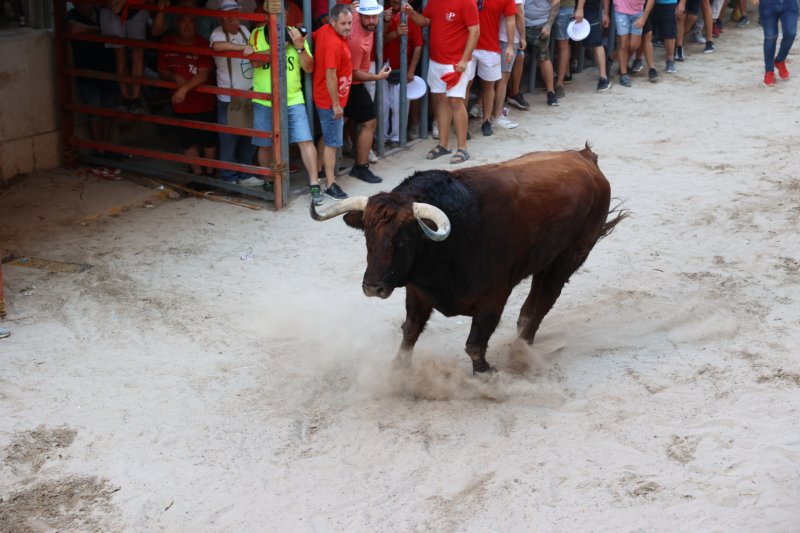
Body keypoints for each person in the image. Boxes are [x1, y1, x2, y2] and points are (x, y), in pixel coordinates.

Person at [248, 2, 324, 203]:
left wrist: (299, 47)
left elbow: (309, 68)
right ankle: (268, 181)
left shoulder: (296, 34)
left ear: (288, 14)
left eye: (283, 10)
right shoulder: (257, 34)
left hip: (293, 98)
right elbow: (255, 62)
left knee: (305, 141)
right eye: (275, 9)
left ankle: (314, 185)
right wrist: (279, 47)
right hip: (264, 99)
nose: (280, 13)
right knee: (265, 145)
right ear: (266, 11)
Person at [404, 0, 480, 164]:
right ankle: (444, 145)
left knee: (455, 101)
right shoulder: (434, 2)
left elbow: (475, 31)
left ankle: (463, 148)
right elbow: (426, 21)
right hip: (436, 61)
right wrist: (412, 14)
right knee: (440, 101)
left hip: (454, 63)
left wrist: (464, 59)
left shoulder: (467, 3)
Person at [157, 14, 218, 177]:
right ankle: (197, 176)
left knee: (209, 141)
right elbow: (162, 70)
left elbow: (203, 75)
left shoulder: (203, 44)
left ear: (196, 25)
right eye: (183, 21)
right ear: (177, 23)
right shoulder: (167, 43)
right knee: (187, 141)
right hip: (181, 105)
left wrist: (183, 89)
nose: (187, 25)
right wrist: (173, 76)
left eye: (190, 21)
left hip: (204, 103)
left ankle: (210, 174)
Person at [209, 0, 259, 185]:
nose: (234, 19)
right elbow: (217, 47)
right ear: (222, 18)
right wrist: (241, 49)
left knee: (249, 136)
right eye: (229, 16)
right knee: (229, 139)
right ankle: (229, 178)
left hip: (248, 94)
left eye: (236, 14)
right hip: (228, 97)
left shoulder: (245, 32)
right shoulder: (217, 34)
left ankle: (244, 173)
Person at [345, 0, 392, 183]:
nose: (372, 20)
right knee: (368, 121)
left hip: (348, 82)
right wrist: (377, 77)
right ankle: (359, 167)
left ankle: (326, 170)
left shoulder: (358, 18)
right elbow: (353, 74)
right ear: (361, 16)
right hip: (349, 83)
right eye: (368, 16)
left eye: (375, 16)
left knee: (337, 127)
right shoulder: (356, 39)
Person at [67, 3, 121, 155]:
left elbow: (115, 31)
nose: (82, 5)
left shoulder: (103, 12)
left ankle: (105, 147)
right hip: (88, 73)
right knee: (94, 112)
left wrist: (90, 32)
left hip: (109, 69)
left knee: (109, 111)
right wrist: (99, 29)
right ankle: (99, 149)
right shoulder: (71, 14)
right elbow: (71, 29)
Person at [312, 3, 354, 200]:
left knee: (328, 137)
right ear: (333, 22)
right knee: (332, 143)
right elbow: (330, 75)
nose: (348, 27)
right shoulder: (333, 43)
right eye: (344, 23)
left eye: (350, 23)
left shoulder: (324, 31)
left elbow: (310, 37)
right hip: (330, 100)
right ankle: (330, 184)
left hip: (331, 98)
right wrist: (336, 104)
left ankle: (322, 172)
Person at [382, 0, 424, 145]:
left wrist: (411, 70)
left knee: (400, 105)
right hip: (384, 67)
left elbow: (418, 46)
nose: (394, 5)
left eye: (397, 2)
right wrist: (394, 31)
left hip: (403, 67)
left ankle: (397, 137)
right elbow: (379, 41)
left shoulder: (409, 16)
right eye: (392, 2)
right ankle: (382, 137)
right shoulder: (384, 14)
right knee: (384, 104)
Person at [472, 0, 517, 136]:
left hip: (489, 46)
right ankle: (460, 123)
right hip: (467, 45)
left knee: (488, 85)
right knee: (465, 86)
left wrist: (510, 45)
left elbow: (510, 19)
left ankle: (487, 121)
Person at [100, 0, 150, 113]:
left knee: (137, 55)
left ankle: (135, 99)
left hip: (136, 8)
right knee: (121, 56)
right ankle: (126, 98)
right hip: (112, 9)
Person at [494, 0, 527, 126]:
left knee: (497, 78)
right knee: (503, 77)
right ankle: (498, 114)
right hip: (507, 37)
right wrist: (523, 36)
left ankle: (495, 111)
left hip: (500, 35)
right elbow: (518, 12)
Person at [524, 0, 561, 105]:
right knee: (518, 59)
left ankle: (551, 92)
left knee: (543, 58)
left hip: (539, 23)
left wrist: (549, 25)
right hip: (520, 21)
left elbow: (556, 1)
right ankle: (513, 92)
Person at [612, 0, 655, 87]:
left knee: (634, 45)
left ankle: (610, 57)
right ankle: (623, 74)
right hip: (621, 10)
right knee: (623, 44)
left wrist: (644, 18)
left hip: (638, 11)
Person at [756, 0, 797, 86]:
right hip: (767, 3)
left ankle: (780, 60)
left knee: (791, 33)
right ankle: (769, 71)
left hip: (789, 3)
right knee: (770, 37)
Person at [575, 0, 612, 90]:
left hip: (588, 8)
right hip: (584, 8)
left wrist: (580, 8)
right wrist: (606, 13)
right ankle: (603, 76)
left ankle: (603, 77)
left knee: (596, 42)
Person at [553, 0, 576, 98]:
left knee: (563, 44)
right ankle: (556, 80)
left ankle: (559, 83)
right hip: (543, 7)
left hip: (564, 7)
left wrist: (579, 9)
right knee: (561, 44)